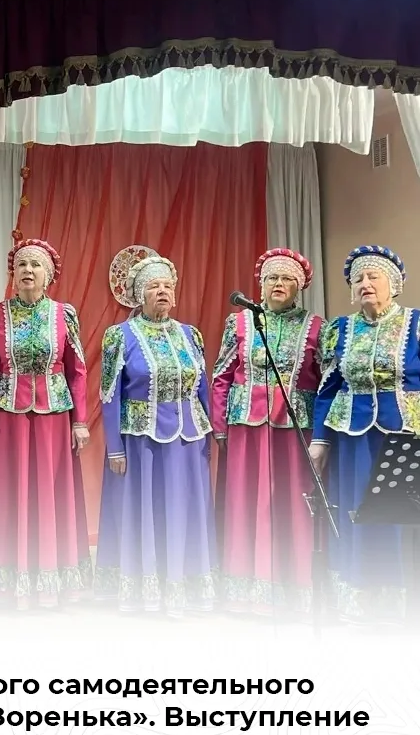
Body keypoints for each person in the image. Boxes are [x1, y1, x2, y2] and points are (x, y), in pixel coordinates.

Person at [95, 254, 216, 617]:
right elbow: (109, 394)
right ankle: (144, 588)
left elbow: (203, 388)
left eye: (167, 286)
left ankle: (183, 586)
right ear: (139, 295)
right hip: (140, 441)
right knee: (145, 512)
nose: (162, 291)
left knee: (183, 510)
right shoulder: (120, 336)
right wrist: (115, 448)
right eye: (154, 286)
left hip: (188, 439)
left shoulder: (190, 334)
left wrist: (214, 433)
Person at [0, 238, 91, 608]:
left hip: (53, 416)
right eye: (21, 265)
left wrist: (80, 421)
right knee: (6, 491)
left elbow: (77, 371)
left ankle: (50, 576)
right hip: (5, 416)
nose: (27, 270)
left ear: (49, 275)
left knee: (49, 491)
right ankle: (4, 578)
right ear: (13, 273)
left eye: (35, 265)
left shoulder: (63, 314)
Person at [310, 245, 420, 623]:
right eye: (358, 279)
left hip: (404, 436)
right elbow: (327, 388)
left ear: (394, 285)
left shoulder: (415, 323)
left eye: (374, 276)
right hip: (352, 438)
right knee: (356, 514)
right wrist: (320, 440)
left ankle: (402, 606)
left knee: (399, 519)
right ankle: (358, 602)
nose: (365, 283)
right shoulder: (339, 329)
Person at [212, 248, 324, 616]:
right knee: (247, 503)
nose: (278, 283)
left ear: (299, 287)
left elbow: (325, 381)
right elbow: (221, 375)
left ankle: (293, 587)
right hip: (246, 427)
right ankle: (245, 589)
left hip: (294, 429)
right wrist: (219, 427)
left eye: (287, 278)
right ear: (260, 285)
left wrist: (323, 436)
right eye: (272, 278)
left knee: (291, 504)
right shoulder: (239, 323)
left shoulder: (316, 326)